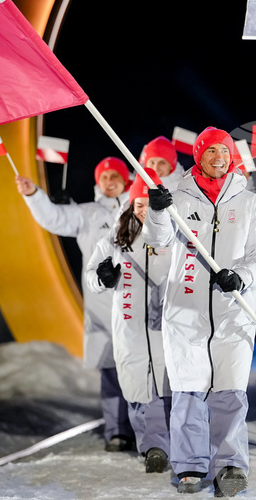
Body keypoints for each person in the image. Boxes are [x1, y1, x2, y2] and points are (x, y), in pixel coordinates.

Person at [143, 127, 256, 496]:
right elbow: (158, 241)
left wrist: (243, 276)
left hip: (233, 311)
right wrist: (156, 211)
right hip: (185, 311)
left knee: (230, 390)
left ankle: (230, 464)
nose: (218, 157)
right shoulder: (177, 197)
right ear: (199, 154)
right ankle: (189, 464)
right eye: (211, 150)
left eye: (224, 150)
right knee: (188, 389)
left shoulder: (248, 203)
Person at [15, 157, 136, 451]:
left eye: (115, 176)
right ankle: (117, 431)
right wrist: (34, 195)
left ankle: (148, 429)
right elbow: (55, 218)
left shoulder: (137, 208)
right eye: (104, 176)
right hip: (102, 306)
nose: (109, 181)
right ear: (98, 182)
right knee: (110, 371)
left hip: (136, 304)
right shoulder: (88, 213)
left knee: (141, 368)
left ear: (126, 179)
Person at [84, 167, 173, 474]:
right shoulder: (116, 238)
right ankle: (151, 447)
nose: (144, 210)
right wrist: (102, 278)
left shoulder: (173, 235)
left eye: (149, 204)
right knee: (136, 388)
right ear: (131, 206)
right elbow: (91, 274)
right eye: (138, 205)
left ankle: (165, 444)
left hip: (164, 328)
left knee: (166, 386)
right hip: (130, 326)